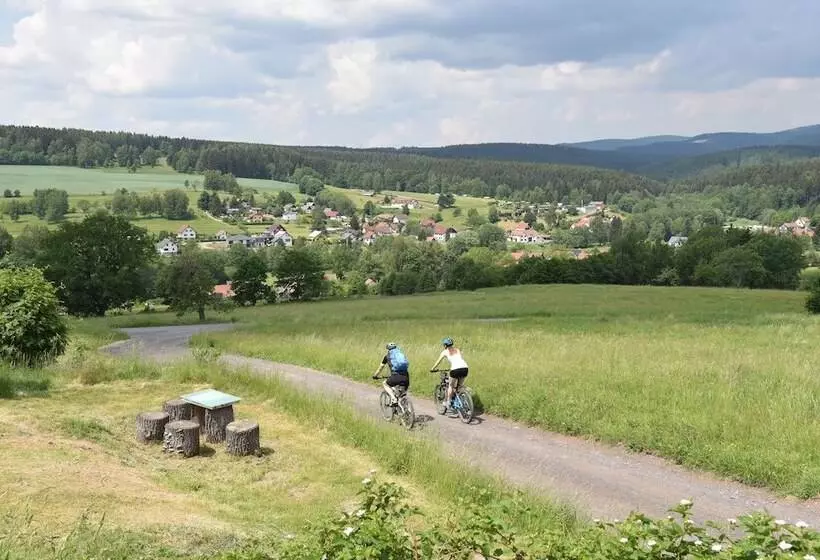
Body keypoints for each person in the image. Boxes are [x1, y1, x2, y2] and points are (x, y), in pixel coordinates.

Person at [430, 337, 469, 412]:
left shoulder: (445, 352)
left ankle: (448, 401)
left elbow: (438, 361)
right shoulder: (457, 350)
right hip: (465, 368)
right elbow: (459, 359)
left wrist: (432, 368)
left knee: (450, 386)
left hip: (455, 369)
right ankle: (463, 401)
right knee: (459, 386)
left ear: (445, 345)